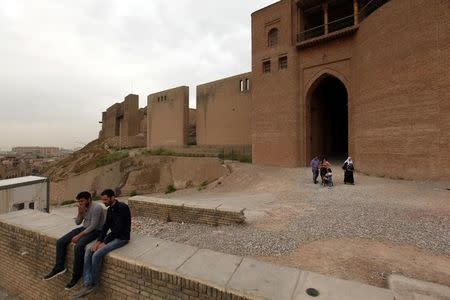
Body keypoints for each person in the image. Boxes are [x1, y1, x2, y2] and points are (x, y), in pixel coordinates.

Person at [74, 189, 131, 298]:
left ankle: (94, 283)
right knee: (89, 251)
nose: (104, 201)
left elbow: (118, 230)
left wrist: (104, 242)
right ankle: (87, 283)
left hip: (122, 238)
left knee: (97, 254)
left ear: (112, 197)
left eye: (105, 199)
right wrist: (99, 241)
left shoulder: (122, 208)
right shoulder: (110, 209)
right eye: (102, 199)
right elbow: (105, 227)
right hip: (113, 236)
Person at [43, 191, 105, 290]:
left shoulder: (96, 207)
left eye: (82, 201)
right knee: (61, 242)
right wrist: (80, 213)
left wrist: (79, 236)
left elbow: (93, 226)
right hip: (84, 228)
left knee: (79, 246)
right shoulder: (82, 207)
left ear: (89, 199)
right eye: (79, 201)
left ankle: (76, 276)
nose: (80, 203)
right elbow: (77, 222)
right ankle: (59, 267)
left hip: (95, 231)